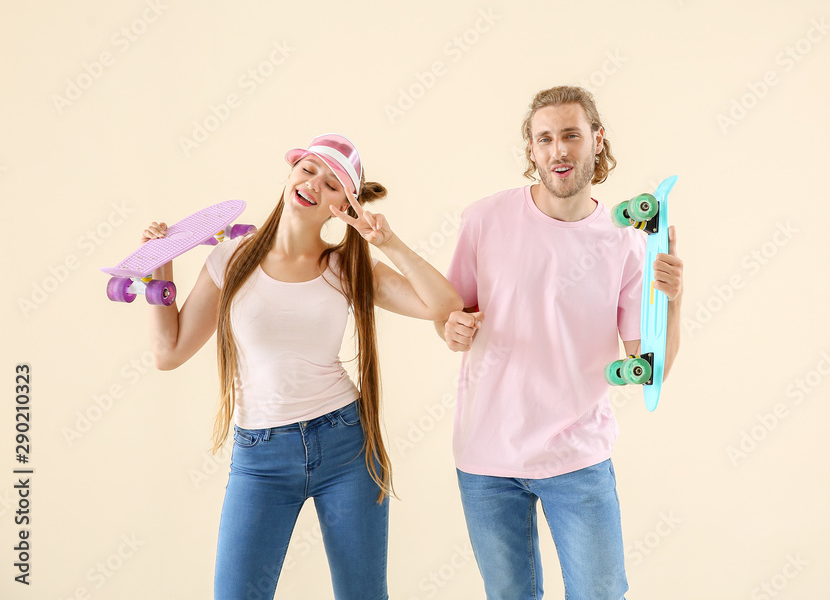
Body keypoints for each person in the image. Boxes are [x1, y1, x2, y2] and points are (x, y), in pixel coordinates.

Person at [142, 133, 463, 599]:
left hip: (346, 447)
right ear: (291, 172)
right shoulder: (230, 258)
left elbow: (443, 304)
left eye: (333, 184)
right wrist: (160, 270)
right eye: (309, 169)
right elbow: (167, 353)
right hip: (261, 456)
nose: (314, 184)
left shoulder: (346, 266)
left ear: (344, 204)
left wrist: (384, 240)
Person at [435, 86, 684, 599]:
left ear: (597, 140)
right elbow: (450, 311)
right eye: (544, 138)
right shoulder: (484, 219)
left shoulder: (626, 241)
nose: (558, 150)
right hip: (486, 459)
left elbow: (647, 367)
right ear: (531, 149)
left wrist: (673, 301)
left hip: (577, 457)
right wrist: (449, 327)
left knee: (600, 593)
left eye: (571, 134)